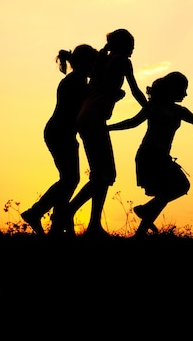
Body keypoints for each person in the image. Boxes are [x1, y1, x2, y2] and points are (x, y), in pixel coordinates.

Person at [108, 71, 193, 236]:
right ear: (172, 89)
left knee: (169, 191)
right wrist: (108, 127)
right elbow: (132, 123)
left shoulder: (179, 111)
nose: (185, 93)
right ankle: (144, 218)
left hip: (161, 157)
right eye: (183, 89)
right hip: (149, 156)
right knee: (178, 187)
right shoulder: (153, 107)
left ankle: (142, 225)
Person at [63, 29, 147, 238]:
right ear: (123, 45)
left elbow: (102, 88)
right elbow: (135, 89)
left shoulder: (103, 61)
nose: (134, 48)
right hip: (93, 118)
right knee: (106, 174)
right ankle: (69, 213)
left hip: (86, 117)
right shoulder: (121, 61)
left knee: (100, 175)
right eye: (131, 43)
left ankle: (92, 225)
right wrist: (149, 109)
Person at [21, 44, 98, 236]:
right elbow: (81, 107)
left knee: (69, 180)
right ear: (86, 63)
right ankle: (37, 212)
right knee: (70, 179)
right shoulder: (77, 82)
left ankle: (60, 225)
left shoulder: (76, 80)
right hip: (60, 132)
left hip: (61, 132)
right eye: (93, 63)